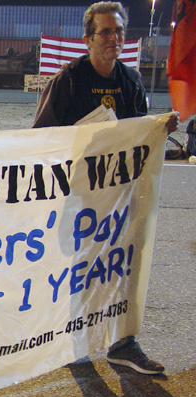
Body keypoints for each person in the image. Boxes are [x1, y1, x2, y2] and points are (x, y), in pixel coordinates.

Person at [33, 1, 178, 375]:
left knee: (123, 266)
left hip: (119, 197)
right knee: (79, 269)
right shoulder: (68, 80)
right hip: (79, 196)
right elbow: (41, 138)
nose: (114, 38)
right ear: (88, 39)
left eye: (119, 31)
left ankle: (122, 343)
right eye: (105, 32)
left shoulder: (130, 81)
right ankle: (72, 337)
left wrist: (160, 128)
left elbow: (139, 132)